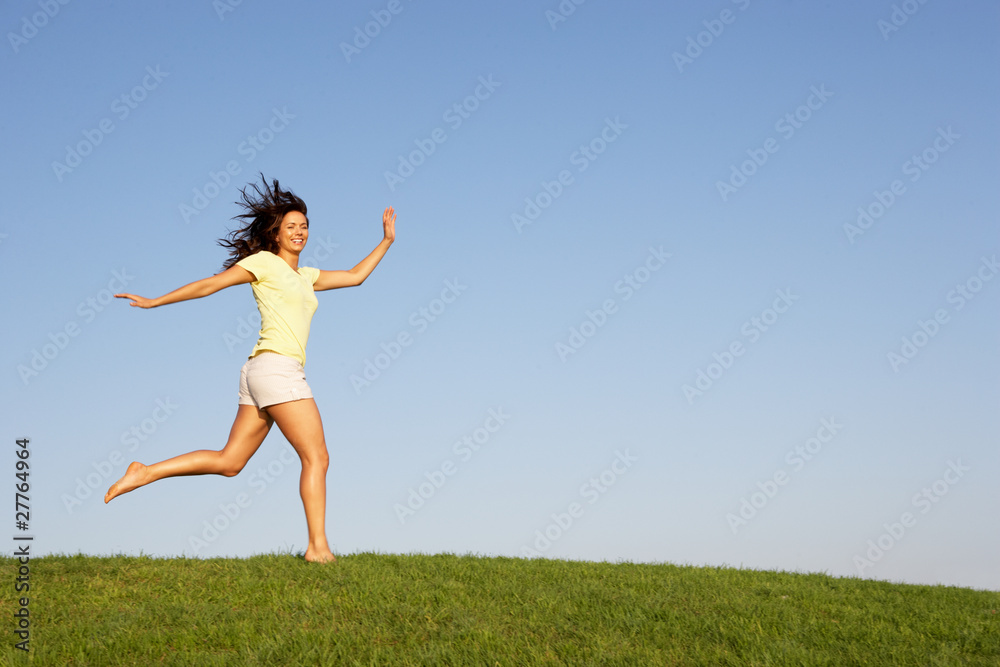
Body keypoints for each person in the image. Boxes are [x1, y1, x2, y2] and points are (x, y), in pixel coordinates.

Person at [104, 175, 395, 564]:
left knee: (230, 462)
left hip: (259, 371)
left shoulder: (305, 276)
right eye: (291, 226)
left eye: (304, 226)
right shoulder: (263, 263)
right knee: (317, 458)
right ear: (275, 233)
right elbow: (211, 285)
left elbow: (356, 277)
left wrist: (387, 241)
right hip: (276, 369)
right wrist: (155, 301)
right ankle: (318, 548)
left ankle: (145, 471)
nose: (299, 232)